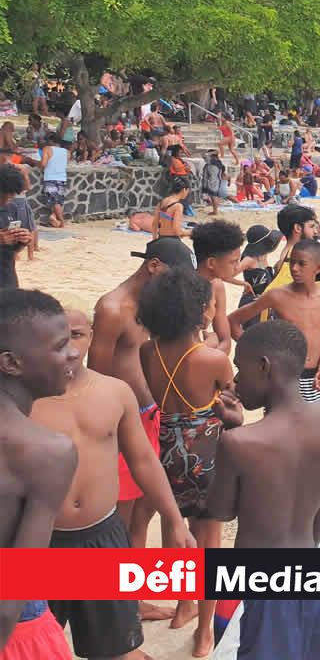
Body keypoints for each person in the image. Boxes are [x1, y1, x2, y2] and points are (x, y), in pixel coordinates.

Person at [32, 308, 197, 660]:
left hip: (102, 538)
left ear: (91, 336)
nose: (69, 348)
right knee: (35, 646)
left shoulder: (115, 392)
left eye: (76, 335)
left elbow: (143, 460)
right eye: (56, 338)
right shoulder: (21, 400)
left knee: (118, 649)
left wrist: (172, 517)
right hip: (39, 541)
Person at [205, 321, 320, 659]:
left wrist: (230, 431)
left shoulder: (239, 443)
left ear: (263, 367)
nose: (234, 381)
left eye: (240, 368)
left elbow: (220, 511)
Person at [137, 269, 242, 656]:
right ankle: (203, 634)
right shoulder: (213, 359)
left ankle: (182, 606)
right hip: (205, 456)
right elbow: (232, 400)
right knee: (209, 541)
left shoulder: (147, 351)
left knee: (175, 528)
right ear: (199, 311)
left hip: (162, 451)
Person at [90, 238, 196, 579]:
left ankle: (132, 600)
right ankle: (115, 599)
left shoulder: (149, 307)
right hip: (123, 423)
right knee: (119, 520)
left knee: (142, 515)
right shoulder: (112, 309)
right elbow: (96, 377)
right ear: (153, 266)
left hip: (149, 416)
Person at [0, 290, 79, 657]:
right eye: (61, 346)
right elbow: (11, 593)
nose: (74, 354)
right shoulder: (48, 452)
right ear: (11, 363)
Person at [228, 240, 320, 403]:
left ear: (318, 267)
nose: (294, 268)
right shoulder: (277, 296)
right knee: (282, 423)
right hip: (284, 378)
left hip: (313, 379)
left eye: (301, 264)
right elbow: (233, 320)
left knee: (311, 423)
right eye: (292, 262)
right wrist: (255, 352)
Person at [191, 220, 244, 354]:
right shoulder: (180, 287)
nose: (238, 267)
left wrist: (209, 348)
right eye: (233, 262)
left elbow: (226, 343)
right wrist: (210, 345)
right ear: (211, 263)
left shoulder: (217, 286)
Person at [0, 165, 32, 289]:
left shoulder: (12, 208)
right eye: (5, 195)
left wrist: (22, 241)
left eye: (12, 195)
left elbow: (12, 251)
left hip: (7, 278)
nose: (8, 199)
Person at [38, 137, 70, 229]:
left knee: (55, 202)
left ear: (50, 141)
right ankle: (53, 218)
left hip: (50, 178)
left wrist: (37, 164)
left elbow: (43, 164)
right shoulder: (67, 152)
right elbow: (65, 164)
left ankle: (62, 222)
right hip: (62, 178)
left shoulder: (47, 149)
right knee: (59, 201)